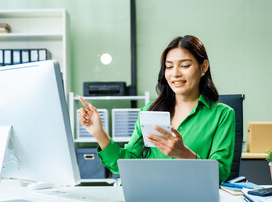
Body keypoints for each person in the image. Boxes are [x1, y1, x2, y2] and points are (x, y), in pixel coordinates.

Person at [78, 35, 235, 183]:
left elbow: (219, 173)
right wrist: (99, 133)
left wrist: (183, 153)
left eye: (185, 65)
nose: (175, 73)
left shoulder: (222, 115)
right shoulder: (150, 111)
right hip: (149, 199)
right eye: (169, 67)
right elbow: (126, 164)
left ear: (203, 67)